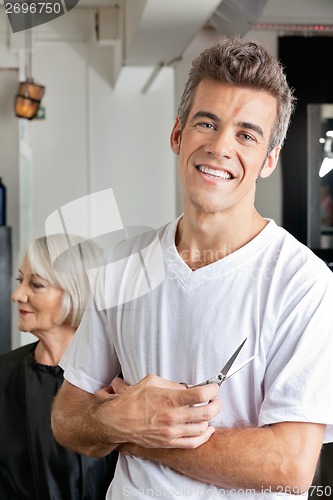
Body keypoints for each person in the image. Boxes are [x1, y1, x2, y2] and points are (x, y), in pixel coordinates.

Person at [51, 36, 333, 499]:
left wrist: (141, 431)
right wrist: (107, 418)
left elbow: (288, 465)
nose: (221, 147)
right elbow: (67, 416)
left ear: (269, 160)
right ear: (178, 134)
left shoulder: (304, 285)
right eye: (207, 123)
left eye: (246, 134)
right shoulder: (124, 264)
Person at [0, 234, 118, 500]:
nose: (17, 295)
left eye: (36, 285)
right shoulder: (4, 375)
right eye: (21, 281)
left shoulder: (121, 379)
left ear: (76, 291)